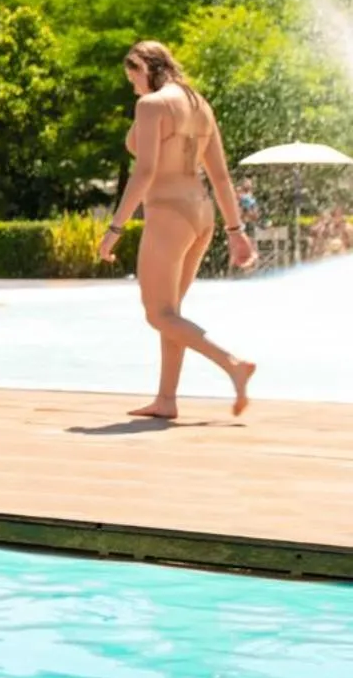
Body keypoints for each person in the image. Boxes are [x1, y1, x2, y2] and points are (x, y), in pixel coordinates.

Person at [97, 40, 256, 418]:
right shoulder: (200, 105)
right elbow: (220, 176)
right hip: (201, 214)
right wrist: (235, 230)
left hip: (169, 214)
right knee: (172, 313)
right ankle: (166, 399)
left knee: (158, 315)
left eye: (132, 77)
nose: (132, 86)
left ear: (144, 67)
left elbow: (145, 171)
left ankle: (233, 365)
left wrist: (115, 228)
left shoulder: (152, 105)